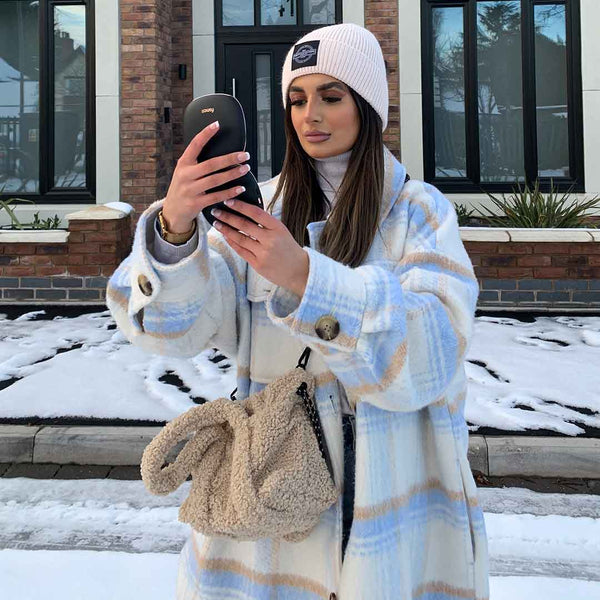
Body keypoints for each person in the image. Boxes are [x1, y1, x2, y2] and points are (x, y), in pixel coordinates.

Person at [107, 22, 489, 600]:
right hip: (272, 505)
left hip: (390, 502)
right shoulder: (264, 210)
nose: (310, 114)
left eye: (331, 97)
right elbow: (170, 333)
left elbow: (434, 351)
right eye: (297, 99)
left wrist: (308, 280)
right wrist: (175, 229)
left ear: (367, 107)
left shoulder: (419, 212)